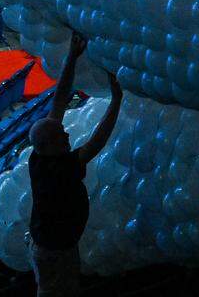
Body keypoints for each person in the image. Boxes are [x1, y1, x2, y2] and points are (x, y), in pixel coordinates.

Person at [27, 34, 123, 296]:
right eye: (61, 136)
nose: (67, 135)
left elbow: (59, 101)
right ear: (49, 144)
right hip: (56, 253)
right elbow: (96, 142)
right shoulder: (59, 169)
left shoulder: (39, 156)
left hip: (52, 247)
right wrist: (116, 101)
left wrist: (72, 56)